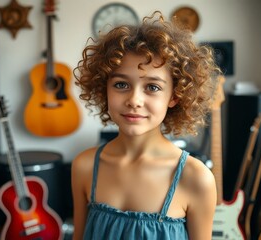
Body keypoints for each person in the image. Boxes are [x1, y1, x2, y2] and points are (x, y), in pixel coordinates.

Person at [72, 11, 219, 240]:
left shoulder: (196, 179)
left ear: (175, 96)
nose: (134, 100)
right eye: (121, 84)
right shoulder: (84, 166)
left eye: (153, 87)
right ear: (104, 90)